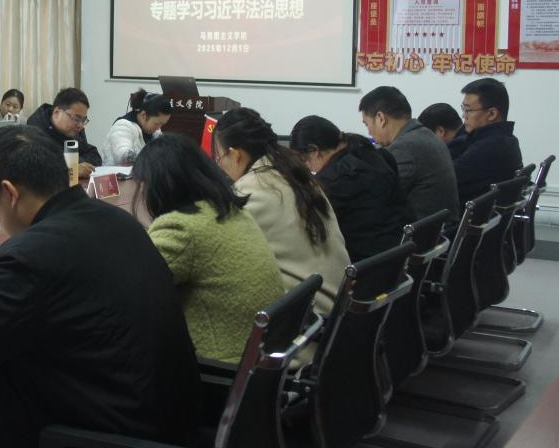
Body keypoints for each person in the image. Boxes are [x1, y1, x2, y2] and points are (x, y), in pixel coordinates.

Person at [0, 127, 200, 448]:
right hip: (165, 423)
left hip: (95, 434)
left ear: (9, 193)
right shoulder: (118, 222)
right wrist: (2, 272)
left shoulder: (30, 257)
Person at [132, 133, 285, 363]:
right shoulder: (231, 211)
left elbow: (130, 292)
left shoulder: (181, 227)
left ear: (160, 186)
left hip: (218, 367)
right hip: (257, 359)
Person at [213, 108, 349, 315]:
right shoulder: (295, 175)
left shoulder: (252, 190)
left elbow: (213, 252)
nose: (219, 164)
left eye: (219, 156)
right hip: (335, 314)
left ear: (235, 154)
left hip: (307, 324)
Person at [290, 115, 413, 262]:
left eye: (303, 160)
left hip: (367, 264)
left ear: (314, 150)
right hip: (395, 255)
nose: (307, 167)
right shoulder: (374, 154)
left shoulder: (334, 180)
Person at [359, 86, 460, 224]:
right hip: (438, 228)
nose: (369, 132)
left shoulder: (404, 148)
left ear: (381, 118)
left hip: (420, 232)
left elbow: (373, 197)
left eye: (367, 124)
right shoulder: (426, 135)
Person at [452, 78, 523, 209]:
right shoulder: (506, 139)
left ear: (492, 114)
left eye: (468, 110)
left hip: (465, 217)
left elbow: (446, 179)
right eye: (463, 109)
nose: (463, 115)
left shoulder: (489, 147)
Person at [25, 88, 102, 176]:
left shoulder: (74, 129)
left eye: (83, 120)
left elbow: (94, 156)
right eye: (76, 119)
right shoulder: (35, 131)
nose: (80, 125)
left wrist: (73, 164)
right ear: (56, 112)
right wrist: (71, 170)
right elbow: (37, 169)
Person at [100, 88, 171, 165]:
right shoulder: (122, 126)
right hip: (116, 172)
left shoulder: (155, 131)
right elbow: (124, 157)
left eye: (162, 124)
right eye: (157, 124)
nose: (159, 128)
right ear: (143, 115)